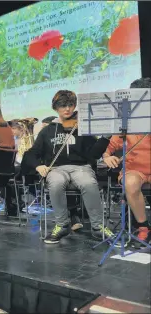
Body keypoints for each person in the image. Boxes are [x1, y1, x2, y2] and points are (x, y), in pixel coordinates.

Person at [23, 90, 112, 244]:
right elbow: (31, 153)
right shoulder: (48, 130)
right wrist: (38, 166)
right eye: (63, 106)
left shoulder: (83, 128)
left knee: (89, 183)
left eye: (70, 105)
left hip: (81, 167)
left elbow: (94, 154)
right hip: (56, 168)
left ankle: (98, 227)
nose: (67, 109)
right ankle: (62, 224)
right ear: (55, 108)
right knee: (56, 182)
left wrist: (105, 138)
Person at [102, 77, 151, 248]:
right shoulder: (126, 120)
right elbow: (109, 145)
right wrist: (107, 156)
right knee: (130, 183)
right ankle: (143, 226)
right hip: (136, 169)